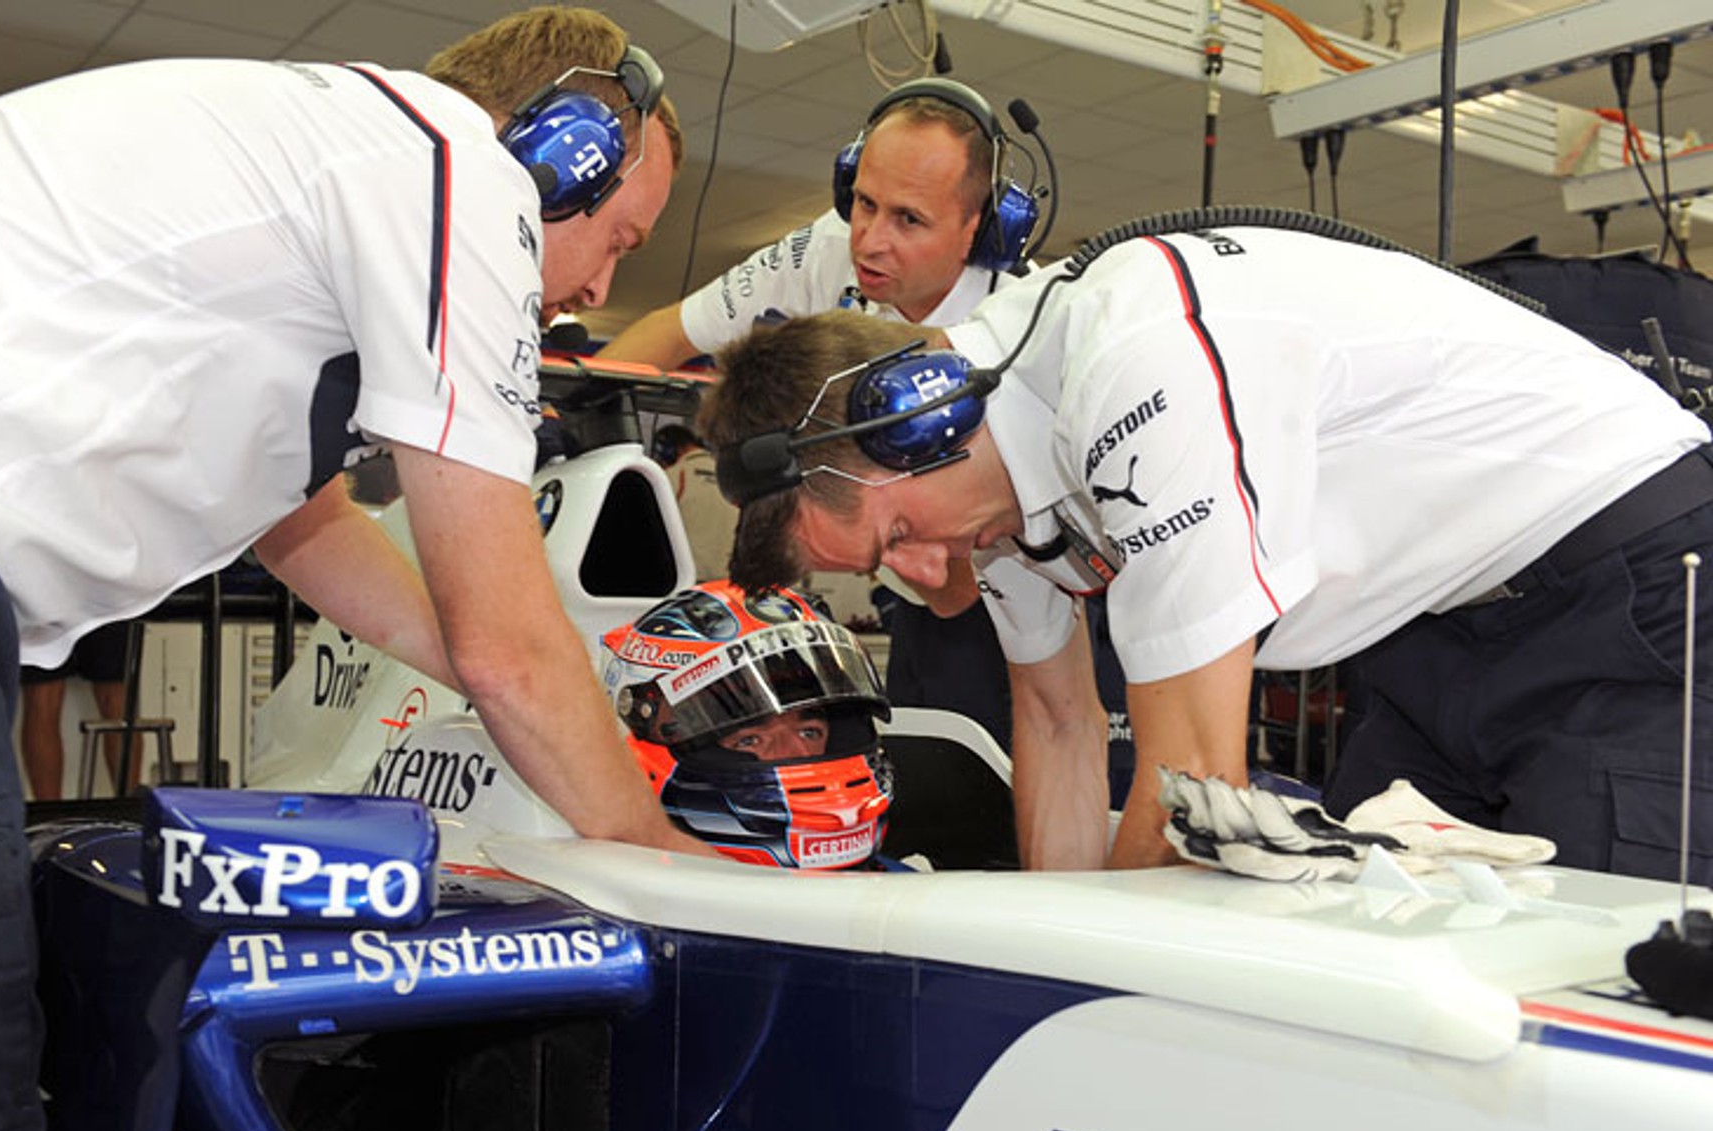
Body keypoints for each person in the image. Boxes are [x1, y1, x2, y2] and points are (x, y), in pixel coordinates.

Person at [0, 8, 711, 1131]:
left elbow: (302, 527)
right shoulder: (452, 164)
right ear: (556, 150)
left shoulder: (316, 165)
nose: (603, 287)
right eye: (613, 234)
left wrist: (518, 686)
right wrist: (650, 846)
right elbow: (506, 638)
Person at [695, 213, 1713, 879]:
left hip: (1627, 603)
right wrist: (1047, 966)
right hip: (1432, 637)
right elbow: (1055, 725)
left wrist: (1099, 1011)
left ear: (923, 417)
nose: (919, 577)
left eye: (899, 537)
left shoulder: (1136, 368)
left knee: (1580, 987)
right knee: (1354, 958)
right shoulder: (992, 478)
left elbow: (1193, 787)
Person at [601, 77, 1035, 747]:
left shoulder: (1017, 329)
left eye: (909, 220)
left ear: (977, 229)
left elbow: (960, 587)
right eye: (863, 203)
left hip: (1020, 588)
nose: (871, 240)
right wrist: (573, 451)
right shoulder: (829, 249)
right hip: (920, 607)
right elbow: (665, 332)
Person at [600, 580, 895, 870]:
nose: (798, 753)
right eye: (750, 739)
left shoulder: (909, 888)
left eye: (810, 732)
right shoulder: (613, 902)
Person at [18, 620, 145, 800]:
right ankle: (131, 810)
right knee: (116, 700)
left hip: (43, 597)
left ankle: (50, 818)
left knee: (42, 698)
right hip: (107, 596)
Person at [651, 423, 733, 580]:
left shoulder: (671, 477)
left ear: (668, 451)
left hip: (687, 580)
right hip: (726, 584)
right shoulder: (731, 477)